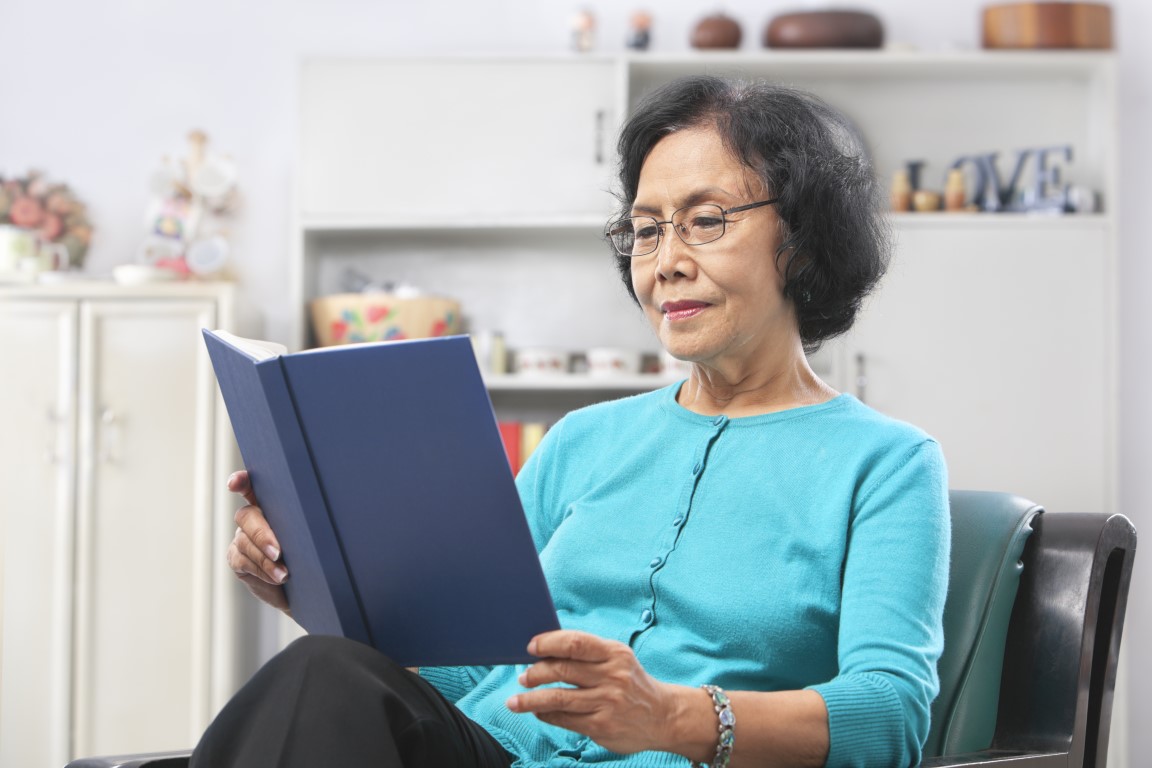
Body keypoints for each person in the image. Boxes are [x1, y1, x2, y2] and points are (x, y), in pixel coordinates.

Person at [194, 75, 949, 768]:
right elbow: (473, 669)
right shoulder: (582, 442)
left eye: (706, 220)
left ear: (802, 241)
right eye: (647, 230)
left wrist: (672, 717)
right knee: (324, 673)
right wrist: (316, 587)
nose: (666, 262)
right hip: (492, 754)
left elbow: (893, 716)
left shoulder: (886, 463)